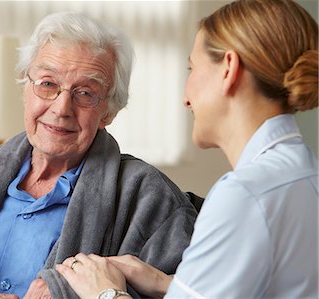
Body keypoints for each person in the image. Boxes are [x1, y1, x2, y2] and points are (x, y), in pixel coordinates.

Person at [0, 12, 199, 299]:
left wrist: (66, 289)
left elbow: (192, 289)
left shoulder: (148, 197)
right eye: (47, 84)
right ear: (24, 88)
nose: (61, 108)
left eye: (85, 93)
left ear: (109, 111)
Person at [57, 0, 319, 298]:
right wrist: (165, 283)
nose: (186, 98)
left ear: (228, 69)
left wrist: (104, 292)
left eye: (192, 68)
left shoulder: (245, 195)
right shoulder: (303, 174)